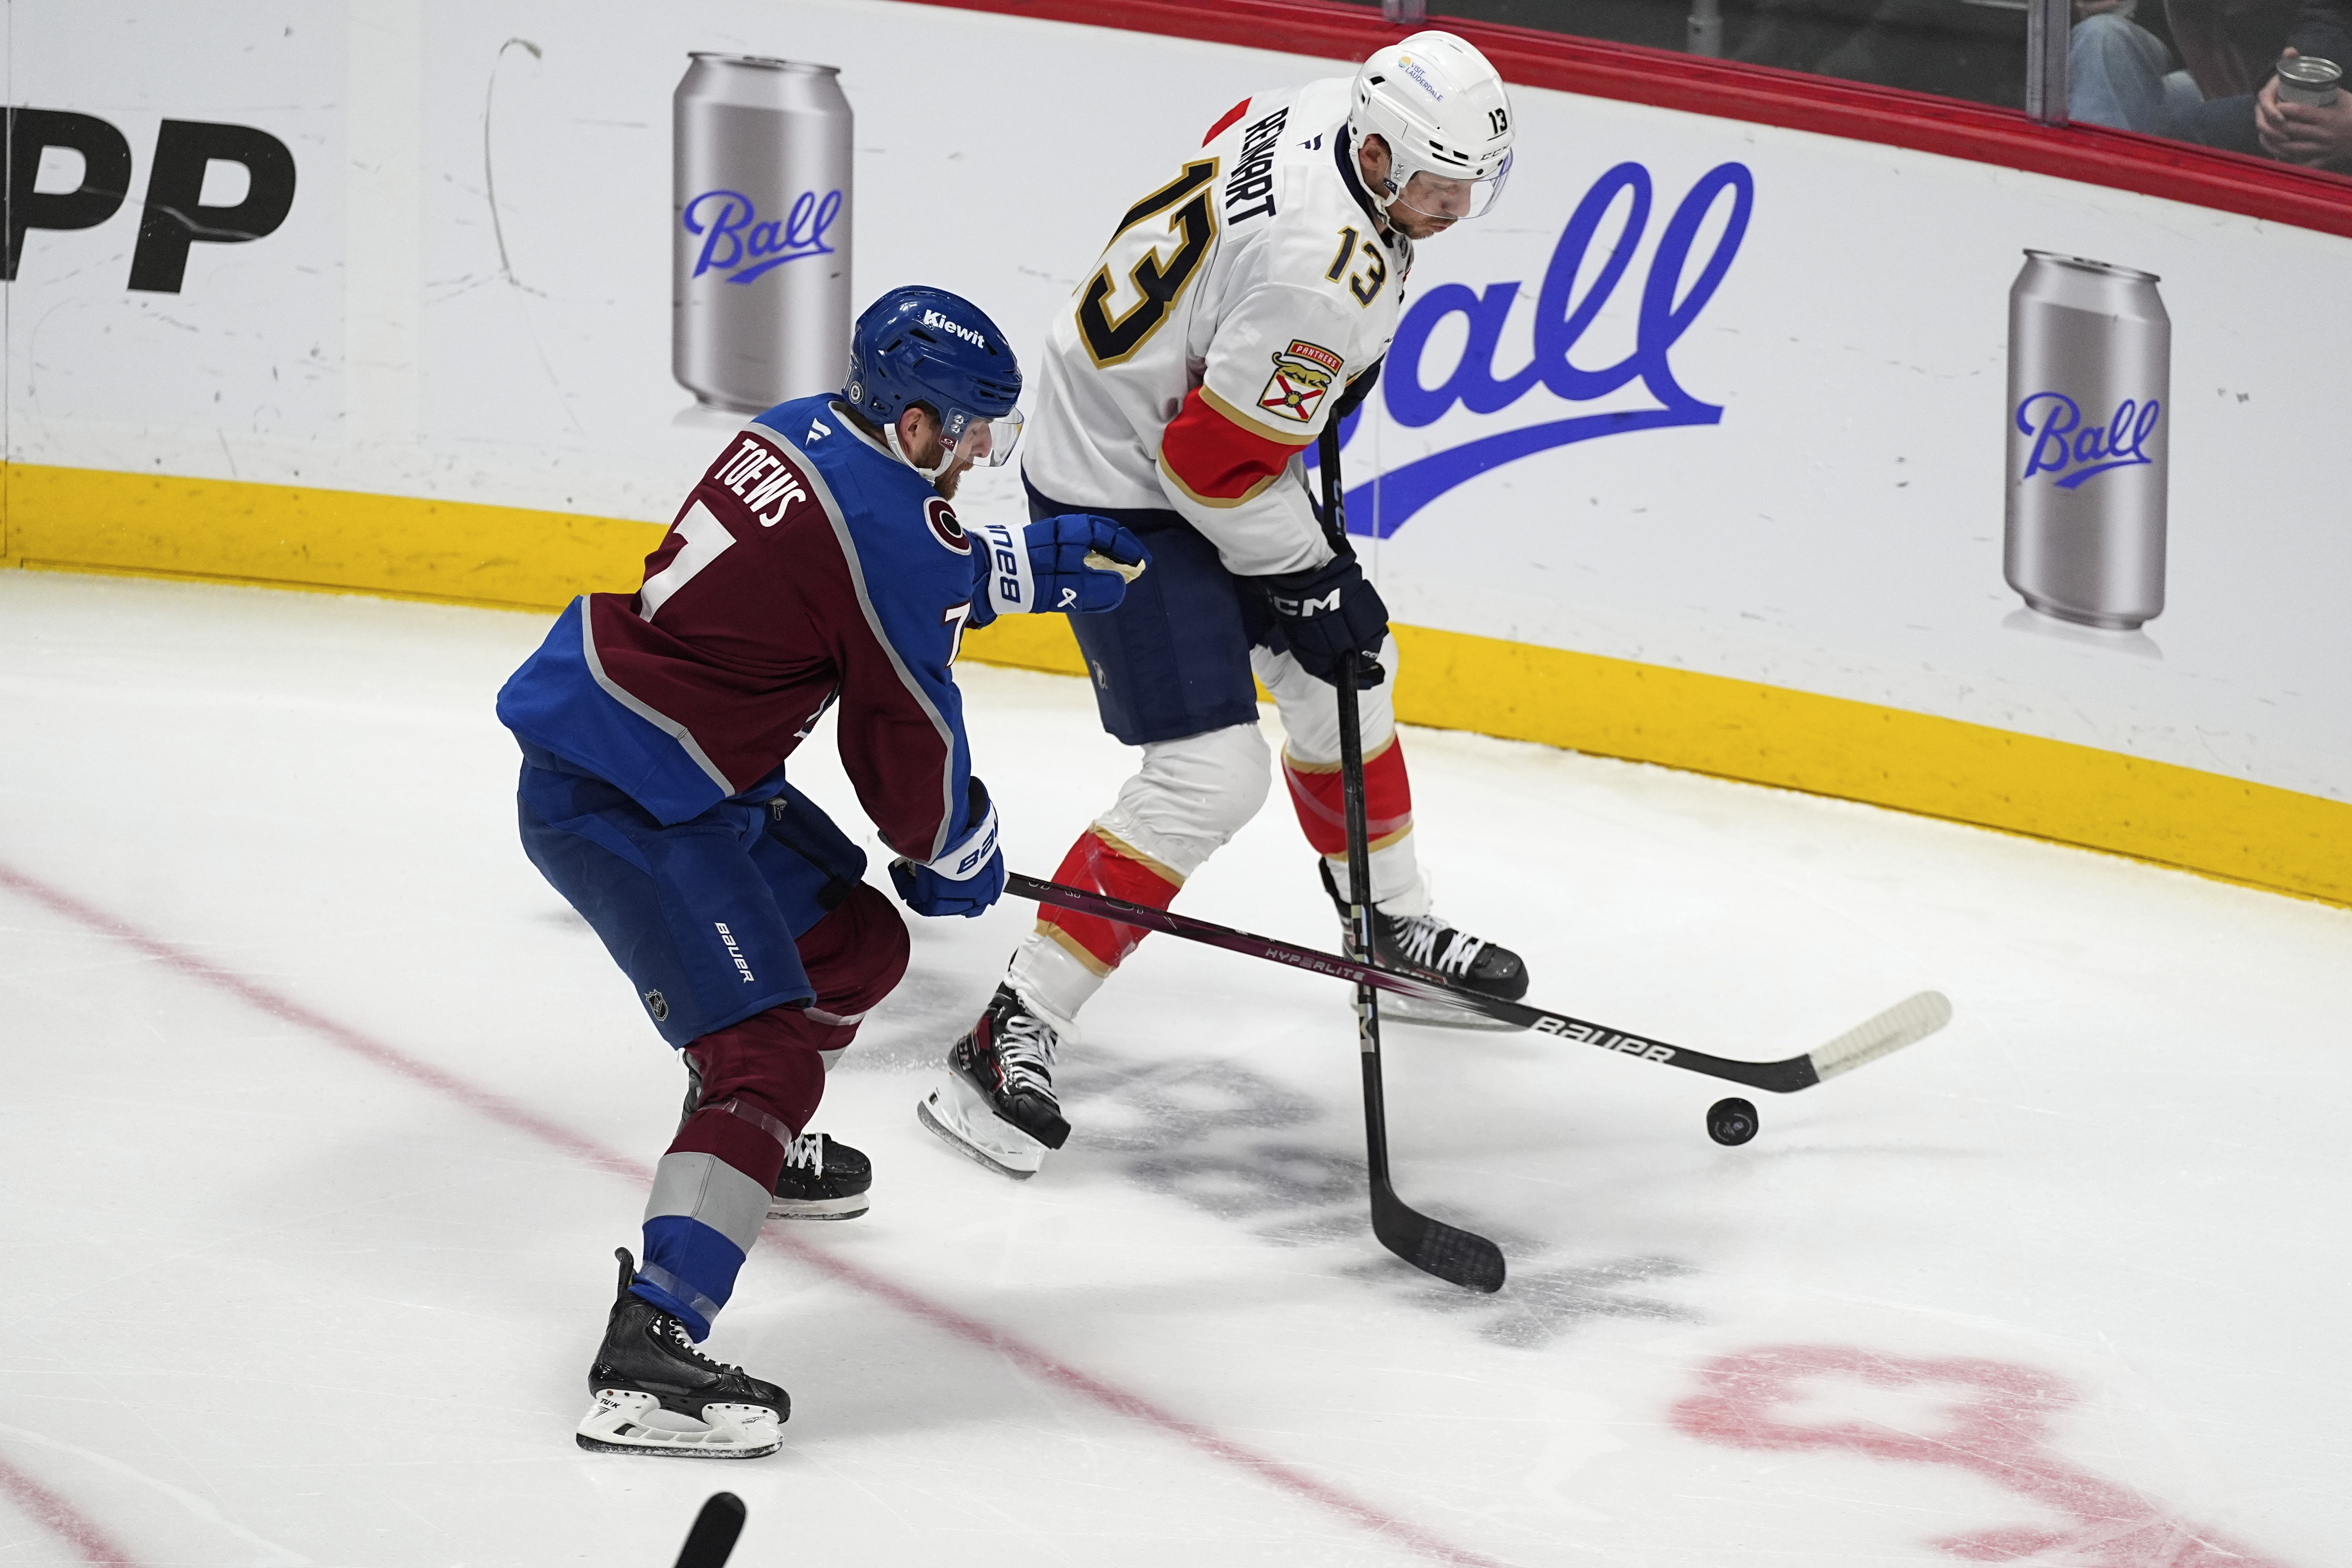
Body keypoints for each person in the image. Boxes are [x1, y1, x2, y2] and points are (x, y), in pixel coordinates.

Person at [494, 285, 1148, 1457]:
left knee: (857, 947)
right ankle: (650, 1345)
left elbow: (872, 569)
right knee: (766, 1058)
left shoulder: (807, 424)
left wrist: (1024, 568)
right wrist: (960, 848)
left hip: (676, 759)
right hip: (629, 799)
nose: (984, 450)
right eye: (969, 427)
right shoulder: (893, 528)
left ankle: (751, 1157)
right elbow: (905, 740)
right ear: (911, 422)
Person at [916, 31, 1534, 1184]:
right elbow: (1212, 471)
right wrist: (1312, 573)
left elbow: (1223, 162)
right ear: (1380, 155)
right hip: (1125, 485)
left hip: (1163, 434)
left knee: (1346, 679)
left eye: (1474, 183)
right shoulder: (1323, 275)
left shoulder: (1314, 111)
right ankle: (1011, 1029)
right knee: (1211, 776)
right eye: (1441, 185)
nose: (1459, 206)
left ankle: (1385, 924)